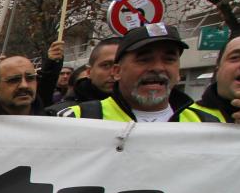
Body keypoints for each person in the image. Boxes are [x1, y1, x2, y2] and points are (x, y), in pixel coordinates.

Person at [58, 24, 196, 122]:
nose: (158, 67)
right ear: (117, 71)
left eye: (169, 59)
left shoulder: (203, 122)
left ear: (178, 72)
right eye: (144, 59)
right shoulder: (75, 119)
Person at [49, 36, 119, 111]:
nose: (113, 73)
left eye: (121, 66)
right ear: (89, 71)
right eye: (106, 65)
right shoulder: (61, 113)